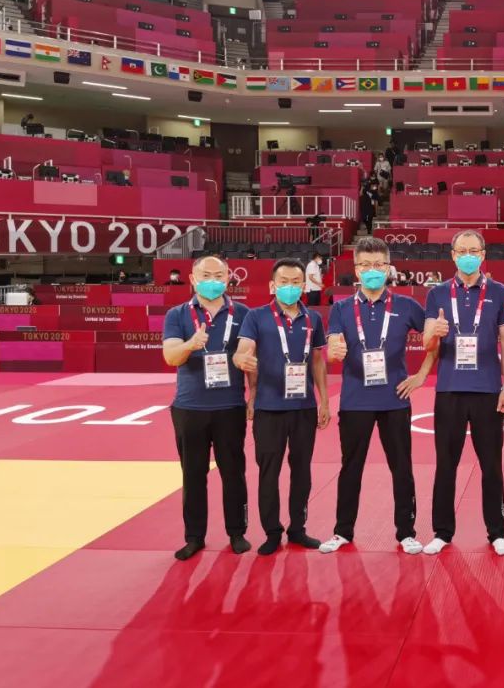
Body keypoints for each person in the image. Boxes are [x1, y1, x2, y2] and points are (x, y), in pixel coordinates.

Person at [320, 237, 436, 555]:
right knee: (350, 467)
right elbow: (332, 347)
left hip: (394, 399)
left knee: (402, 467)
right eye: (366, 265)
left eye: (378, 265)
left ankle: (406, 532)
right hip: (355, 401)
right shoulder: (342, 308)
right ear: (357, 270)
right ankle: (342, 531)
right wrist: (333, 352)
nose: (372, 270)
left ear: (388, 269)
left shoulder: (407, 306)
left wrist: (421, 375)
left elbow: (434, 339)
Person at [421, 229, 504, 556]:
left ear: (483, 254)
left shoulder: (499, 292)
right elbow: (427, 344)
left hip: (488, 390)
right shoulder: (437, 294)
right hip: (449, 390)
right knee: (446, 464)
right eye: (462, 251)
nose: (468, 255)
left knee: (492, 464)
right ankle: (442, 532)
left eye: (474, 250)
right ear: (452, 255)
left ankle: (497, 531)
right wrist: (435, 333)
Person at [234, 259, 330, 556]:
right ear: (273, 285)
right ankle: (272, 531)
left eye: (296, 282)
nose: (290, 287)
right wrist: (242, 363)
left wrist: (324, 400)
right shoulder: (256, 317)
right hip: (268, 407)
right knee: (269, 471)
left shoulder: (314, 318)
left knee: (302, 470)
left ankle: (298, 529)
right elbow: (245, 350)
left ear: (304, 285)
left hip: (304, 407)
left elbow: (317, 361)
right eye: (284, 282)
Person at [161, 255, 252, 561]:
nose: (212, 281)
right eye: (206, 275)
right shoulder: (177, 315)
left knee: (233, 472)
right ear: (192, 279)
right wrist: (191, 343)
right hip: (189, 407)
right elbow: (171, 357)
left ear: (228, 278)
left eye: (219, 275)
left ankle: (237, 532)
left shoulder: (243, 313)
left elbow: (250, 359)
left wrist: (253, 396)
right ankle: (194, 537)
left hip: (230, 406)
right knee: (193, 475)